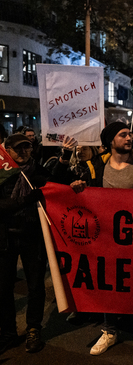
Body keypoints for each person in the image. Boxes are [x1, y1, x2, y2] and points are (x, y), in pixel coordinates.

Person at [69, 122, 133, 355]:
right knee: (108, 280)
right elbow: (84, 195)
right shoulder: (95, 166)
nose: (129, 138)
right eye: (122, 135)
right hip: (105, 236)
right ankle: (109, 330)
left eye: (130, 134)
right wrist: (78, 188)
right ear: (110, 141)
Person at [0, 134, 50, 355]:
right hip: (5, 238)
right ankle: (9, 332)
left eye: (27, 148)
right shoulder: (2, 173)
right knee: (3, 288)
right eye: (18, 148)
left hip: (33, 237)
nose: (23, 152)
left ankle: (33, 329)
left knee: (36, 286)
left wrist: (67, 159)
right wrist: (25, 199)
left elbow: (59, 184)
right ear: (7, 150)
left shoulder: (38, 172)